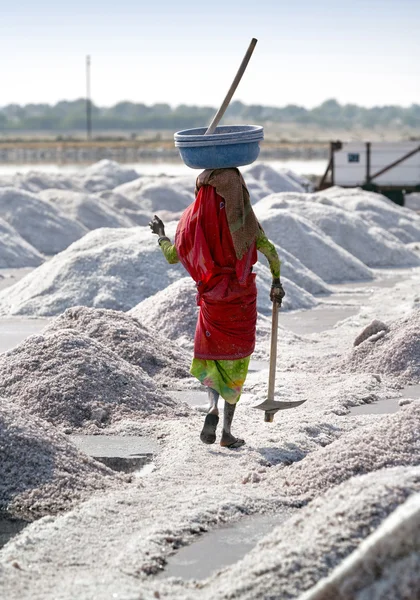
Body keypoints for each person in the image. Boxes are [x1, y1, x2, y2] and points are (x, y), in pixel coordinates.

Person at [149, 167, 284, 449]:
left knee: (212, 359)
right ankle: (226, 432)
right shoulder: (244, 224)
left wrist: (161, 235)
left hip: (212, 304)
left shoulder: (191, 222)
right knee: (235, 366)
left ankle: (211, 406)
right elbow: (271, 252)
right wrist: (276, 282)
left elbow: (174, 256)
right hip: (240, 304)